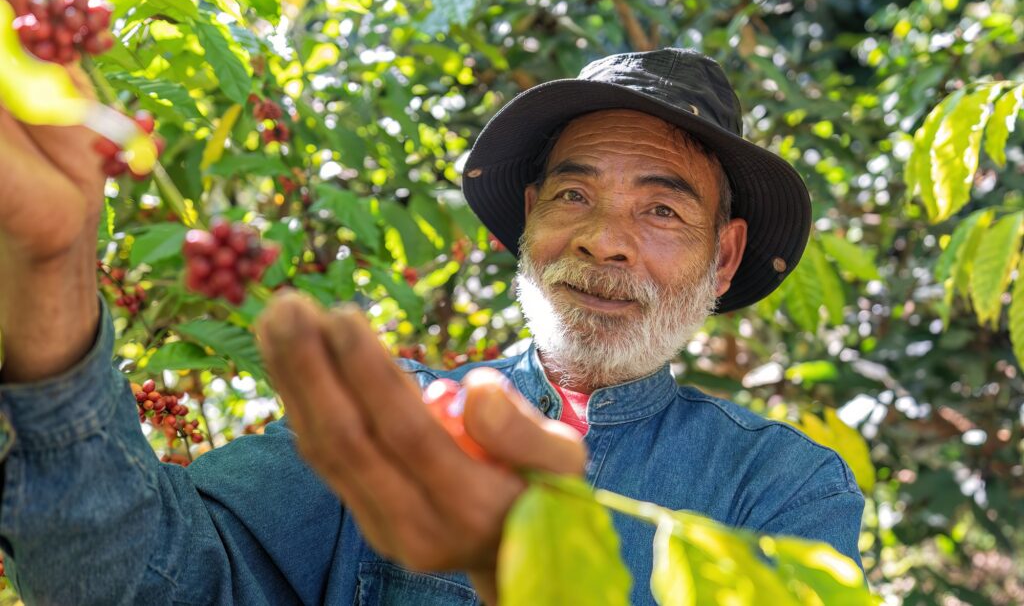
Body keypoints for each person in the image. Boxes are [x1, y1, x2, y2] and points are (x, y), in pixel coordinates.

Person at [0, 48, 863, 605]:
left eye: (664, 211)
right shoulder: (393, 423)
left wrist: (517, 578)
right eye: (574, 195)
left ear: (724, 257)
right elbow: (143, 580)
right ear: (530, 218)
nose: (604, 239)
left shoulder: (782, 490)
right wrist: (52, 278)